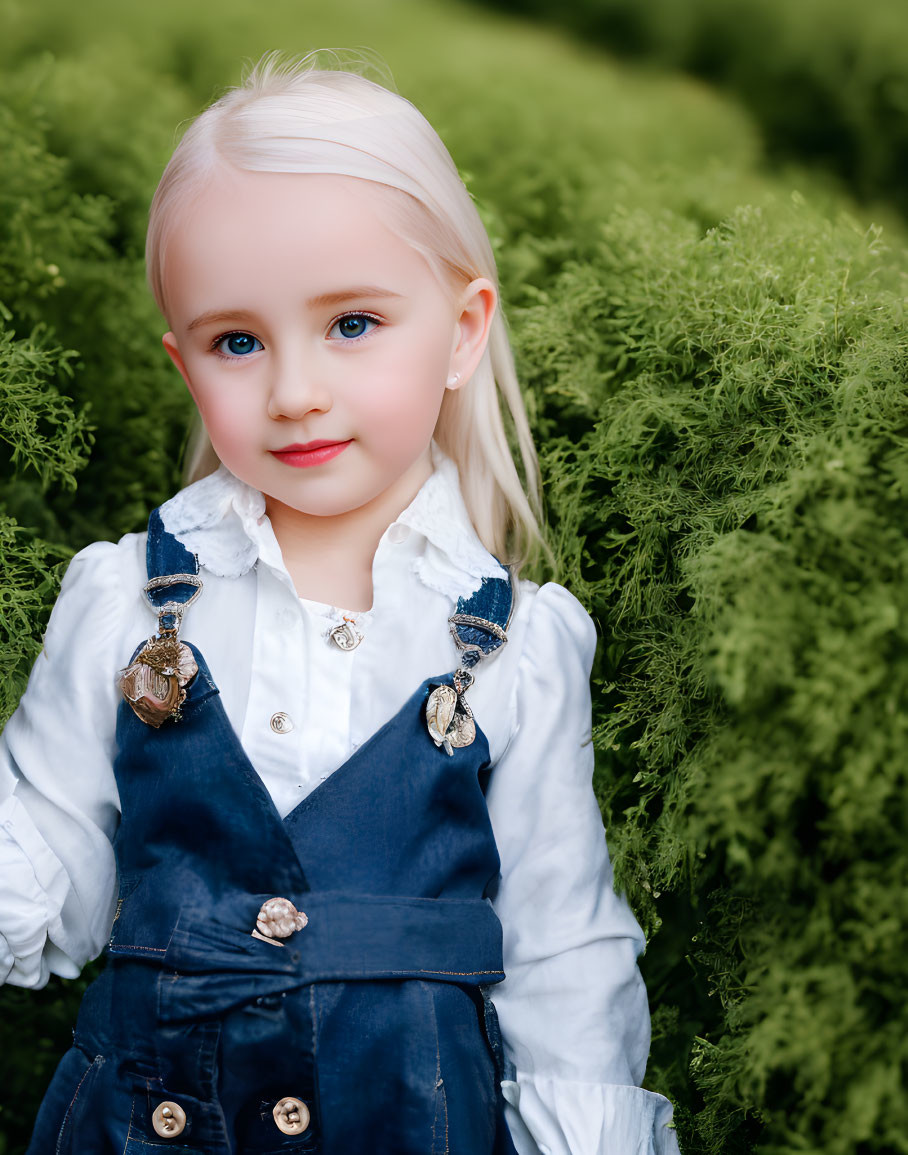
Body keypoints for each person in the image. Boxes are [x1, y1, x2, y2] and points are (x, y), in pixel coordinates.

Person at [0, 53, 679, 1155]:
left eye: (352, 323)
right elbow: (55, 885)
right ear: (186, 367)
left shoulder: (516, 648)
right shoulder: (125, 600)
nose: (295, 389)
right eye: (238, 342)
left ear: (460, 333)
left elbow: (560, 952)